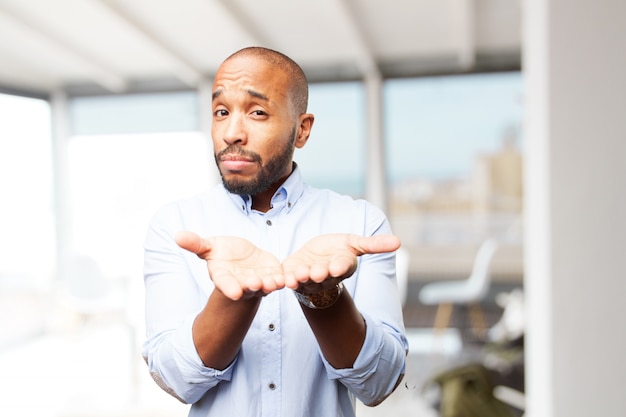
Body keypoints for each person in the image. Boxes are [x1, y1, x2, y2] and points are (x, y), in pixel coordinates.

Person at [142, 46, 408, 417]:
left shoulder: (360, 223)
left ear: (302, 129)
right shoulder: (176, 226)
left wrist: (324, 297)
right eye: (221, 112)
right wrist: (234, 298)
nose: (232, 132)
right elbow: (179, 381)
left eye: (257, 112)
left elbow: (380, 384)